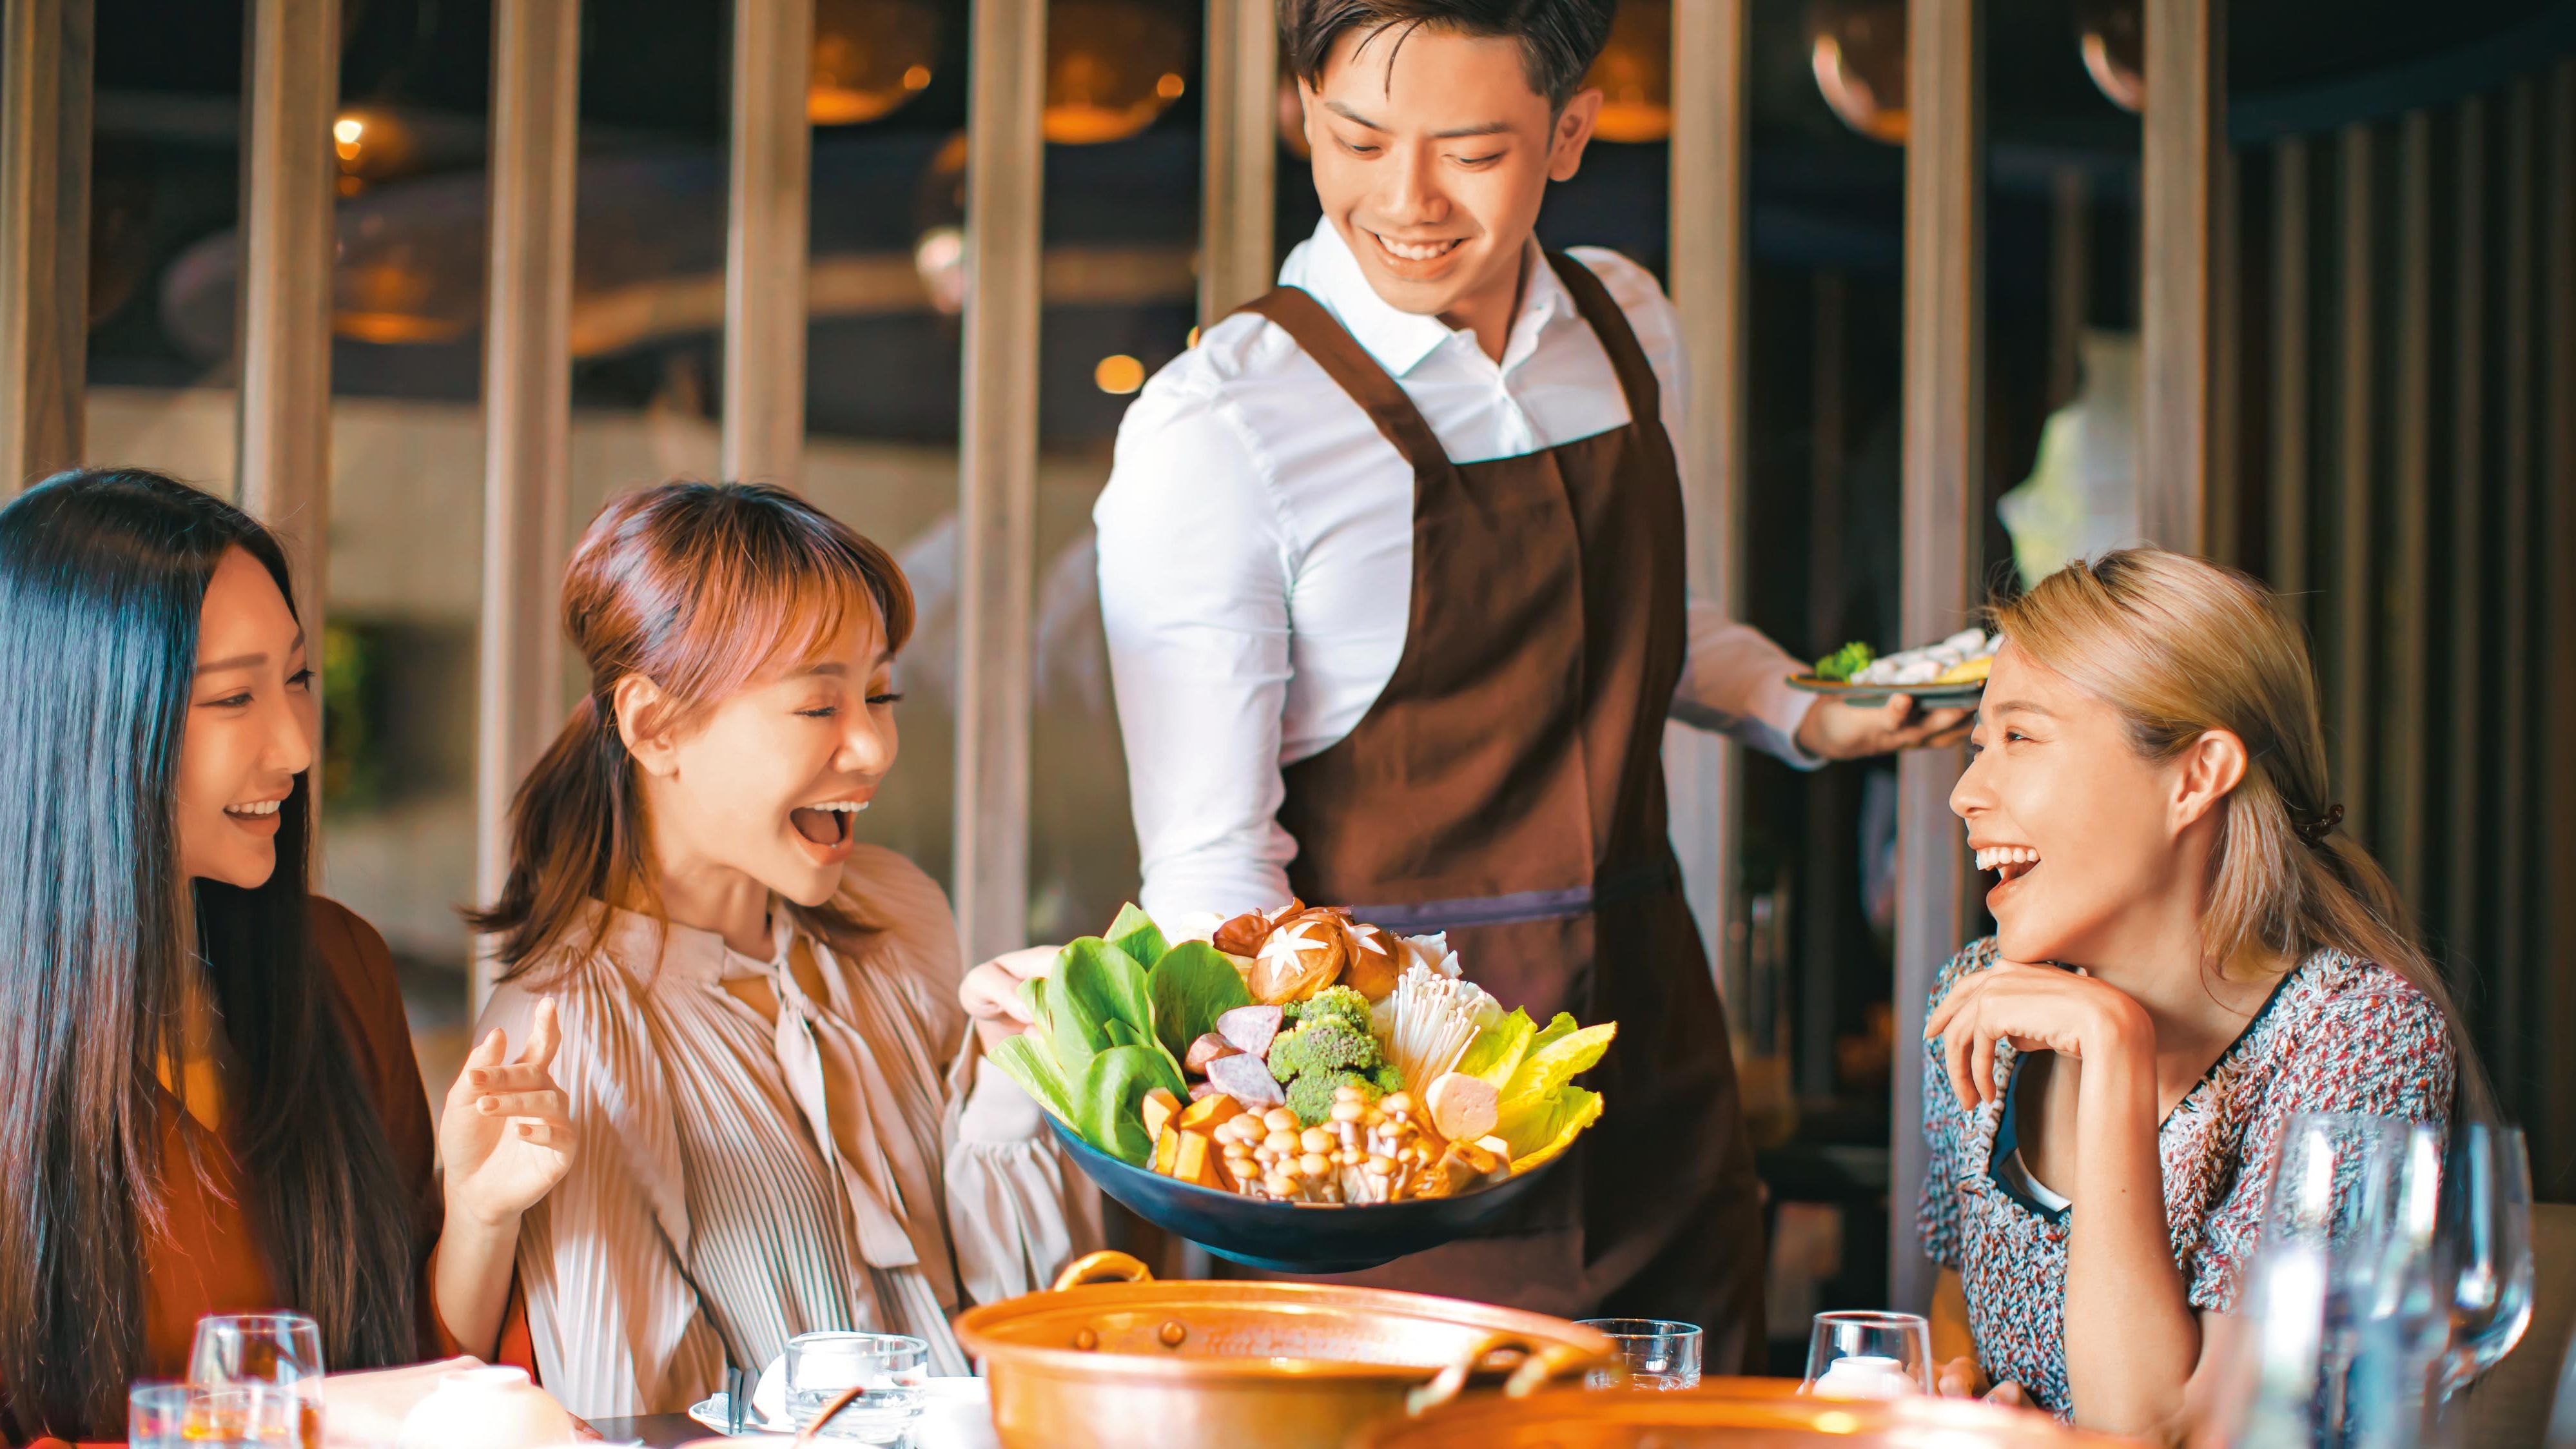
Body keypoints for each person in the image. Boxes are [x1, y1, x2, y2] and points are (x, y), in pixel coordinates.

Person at [1075, 0, 1961, 1354]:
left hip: (1651, 1059)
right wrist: (1344, 1141)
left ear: (1569, 133)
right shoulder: (1224, 428)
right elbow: (1210, 871)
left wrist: (1795, 702)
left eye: (1471, 150)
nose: (1406, 200)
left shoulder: (1622, 322)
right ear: (1302, 112)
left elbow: (1653, 621)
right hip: (1391, 1121)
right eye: (1356, 139)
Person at [469, 481, 1098, 1419]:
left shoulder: (898, 914)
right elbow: (639, 1419)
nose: (874, 747)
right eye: (819, 708)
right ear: (655, 726)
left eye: (880, 693)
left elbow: (1038, 1326)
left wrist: (1017, 1079)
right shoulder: (570, 1028)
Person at [0, 469, 574, 1447]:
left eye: (298, 680)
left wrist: (479, 1215)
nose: (297, 746)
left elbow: (408, 1381)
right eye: (233, 698)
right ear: (86, 726)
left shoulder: (335, 968)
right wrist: (292, 1419)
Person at [1919, 549, 2477, 1435]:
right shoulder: (1979, 997)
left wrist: (2114, 1052)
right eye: (1977, 746)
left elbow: (2169, 1431)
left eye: (2020, 738)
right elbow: (1957, 1301)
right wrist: (1953, 1391)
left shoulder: (2356, 1036)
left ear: (2195, 775)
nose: (1964, 793)